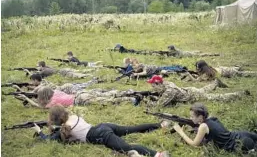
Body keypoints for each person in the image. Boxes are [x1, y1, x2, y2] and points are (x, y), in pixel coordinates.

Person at [31, 105, 170, 157]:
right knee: (131, 129)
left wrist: (39, 131)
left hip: (101, 135)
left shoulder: (65, 129)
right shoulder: (72, 117)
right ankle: (160, 125)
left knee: (128, 148)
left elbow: (49, 139)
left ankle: (158, 155)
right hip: (103, 126)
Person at [173, 103, 257, 153]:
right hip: (239, 134)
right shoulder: (211, 118)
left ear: (200, 117)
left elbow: (194, 143)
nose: (190, 118)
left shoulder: (203, 126)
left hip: (237, 143)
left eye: (192, 116)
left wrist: (180, 132)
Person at [147, 75, 250, 107]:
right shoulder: (165, 84)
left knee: (218, 97)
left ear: (158, 84)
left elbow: (159, 105)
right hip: (191, 90)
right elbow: (162, 93)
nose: (152, 88)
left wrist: (148, 102)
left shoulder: (169, 90)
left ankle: (240, 94)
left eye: (153, 85)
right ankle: (215, 83)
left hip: (193, 96)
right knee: (204, 89)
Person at [15, 86, 142, 108]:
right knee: (105, 94)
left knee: (106, 101)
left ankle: (130, 99)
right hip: (80, 94)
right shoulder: (56, 92)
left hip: (79, 100)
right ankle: (128, 92)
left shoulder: (52, 102)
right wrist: (34, 91)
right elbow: (44, 89)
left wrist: (26, 98)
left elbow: (38, 105)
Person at [183, 60, 257, 81]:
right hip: (224, 69)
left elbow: (196, 81)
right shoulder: (208, 69)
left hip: (228, 72)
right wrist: (193, 73)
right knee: (237, 69)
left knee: (244, 74)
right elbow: (199, 74)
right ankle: (240, 66)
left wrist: (189, 75)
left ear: (202, 68)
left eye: (198, 67)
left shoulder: (206, 75)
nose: (197, 69)